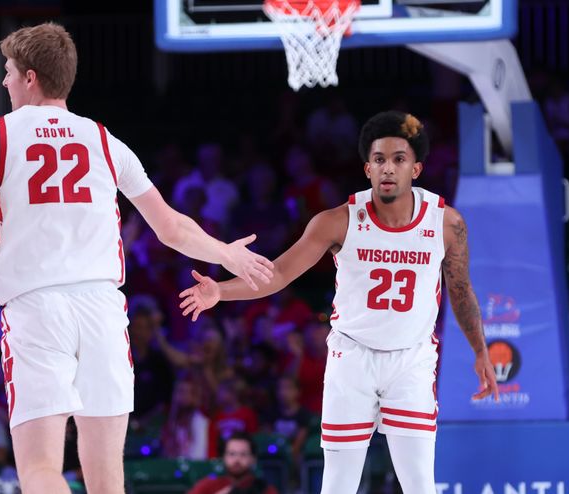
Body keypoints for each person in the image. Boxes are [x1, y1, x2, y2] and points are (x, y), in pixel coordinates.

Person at [0, 22, 273, 494]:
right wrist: (226, 255)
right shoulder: (104, 140)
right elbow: (171, 226)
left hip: (37, 309)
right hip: (102, 309)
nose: (4, 81)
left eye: (8, 71)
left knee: (39, 471)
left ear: (31, 77)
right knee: (107, 480)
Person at [179, 111, 499, 494]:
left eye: (399, 159)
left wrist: (480, 350)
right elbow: (279, 274)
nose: (388, 168)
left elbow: (460, 290)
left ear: (416, 168)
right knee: (338, 485)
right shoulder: (337, 221)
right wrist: (221, 291)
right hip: (353, 357)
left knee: (419, 485)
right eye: (379, 159)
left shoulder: (447, 223)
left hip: (411, 359)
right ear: (367, 168)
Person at [188, 431, 278, 494]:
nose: (237, 460)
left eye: (243, 454)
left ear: (253, 459)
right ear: (223, 457)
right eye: (232, 454)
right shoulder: (208, 486)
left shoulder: (265, 490)